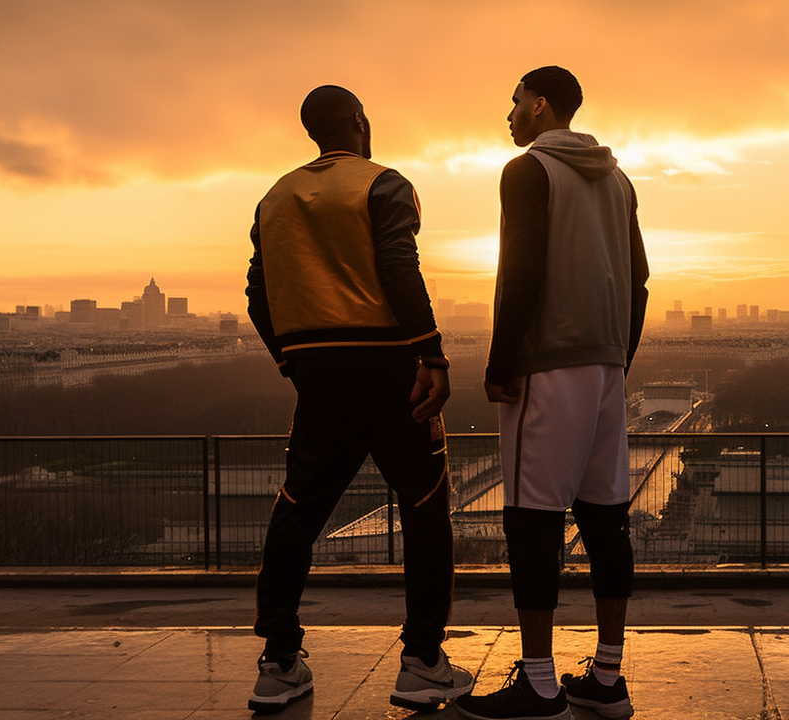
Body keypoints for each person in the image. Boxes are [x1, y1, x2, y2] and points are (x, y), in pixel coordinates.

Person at [244, 84, 471, 714]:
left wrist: (291, 358)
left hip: (318, 374)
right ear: (361, 122)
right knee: (425, 507)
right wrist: (430, 353)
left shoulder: (275, 197)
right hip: (389, 366)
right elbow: (399, 268)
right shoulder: (384, 184)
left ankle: (279, 660)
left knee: (297, 509)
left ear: (311, 132)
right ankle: (423, 660)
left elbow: (257, 293)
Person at [455, 66, 649, 720]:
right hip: (605, 368)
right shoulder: (617, 179)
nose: (507, 115)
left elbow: (523, 271)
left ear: (539, 105)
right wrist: (619, 360)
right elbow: (641, 281)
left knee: (532, 520)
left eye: (513, 102)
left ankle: (538, 683)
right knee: (605, 517)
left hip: (546, 366)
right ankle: (608, 677)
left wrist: (500, 361)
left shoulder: (527, 172)